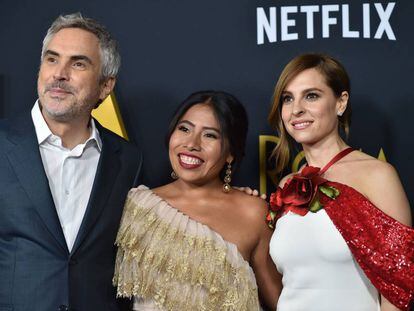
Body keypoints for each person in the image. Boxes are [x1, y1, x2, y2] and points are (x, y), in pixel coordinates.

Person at [0, 13, 142, 311]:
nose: (59, 74)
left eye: (78, 63)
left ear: (105, 85)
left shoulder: (128, 160)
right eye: (52, 60)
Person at [266, 53, 414, 311]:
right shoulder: (287, 185)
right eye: (288, 98)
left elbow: (398, 288)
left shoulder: (376, 175)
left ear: (340, 103)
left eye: (311, 95)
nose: (296, 109)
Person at [113, 90, 281, 310]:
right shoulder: (139, 207)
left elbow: (281, 302)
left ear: (231, 152)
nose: (192, 143)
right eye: (184, 129)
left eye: (210, 135)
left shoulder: (253, 211)